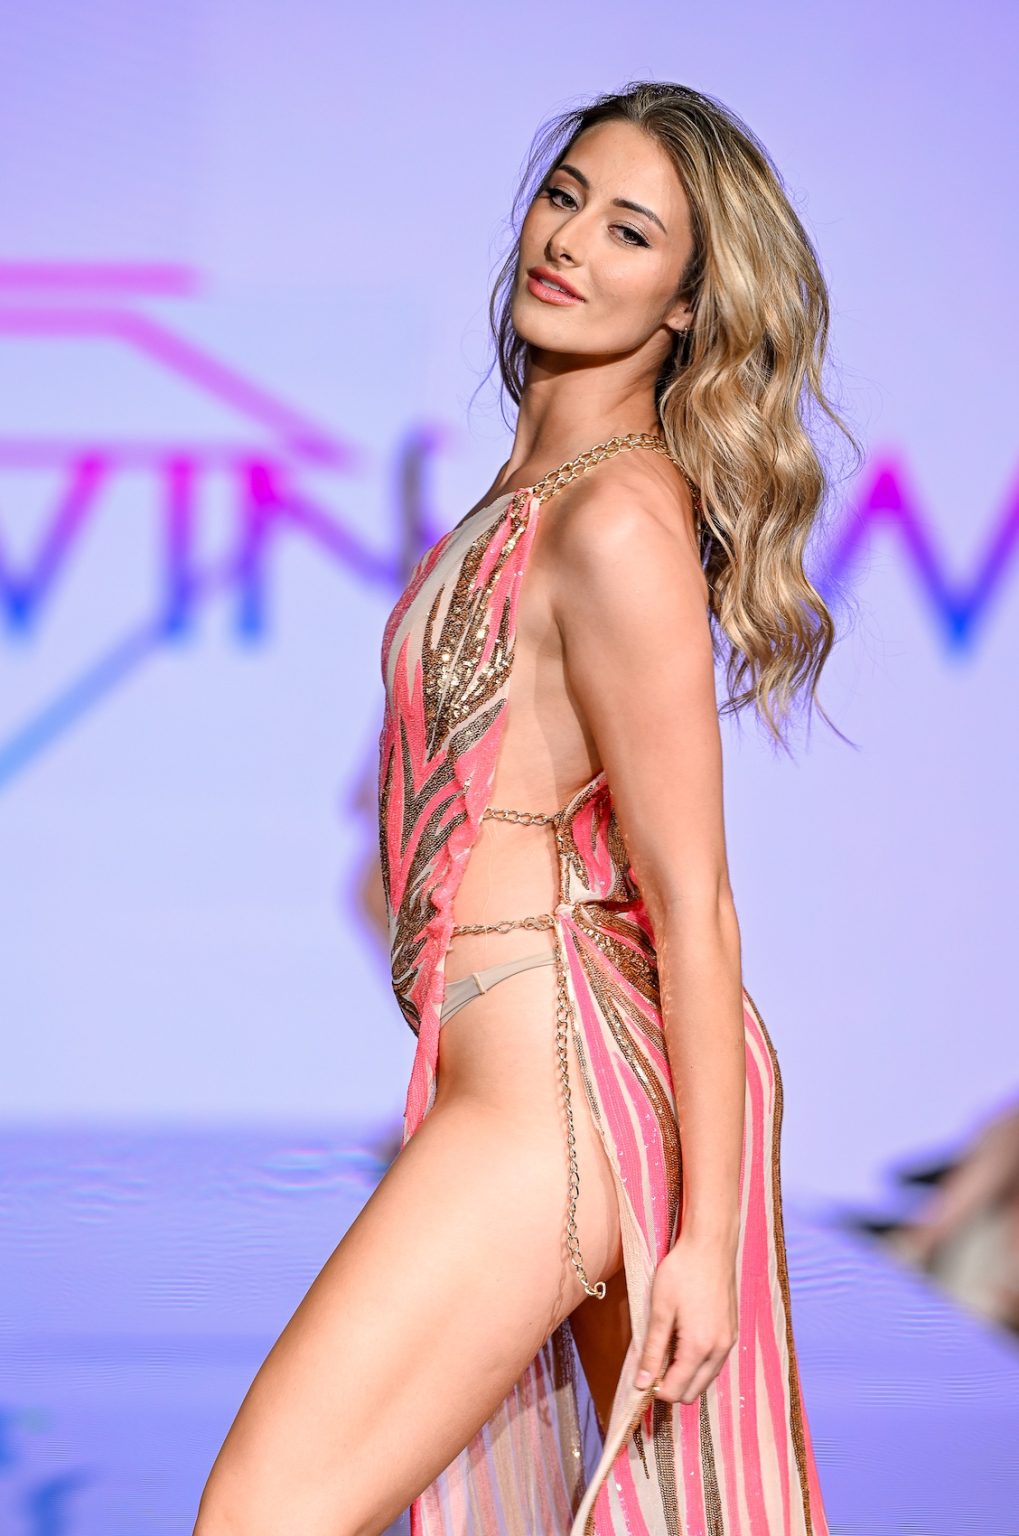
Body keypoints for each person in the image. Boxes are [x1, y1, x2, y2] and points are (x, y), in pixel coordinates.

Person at [194, 79, 860, 1536]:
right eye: (565, 196)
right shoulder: (533, 494)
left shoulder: (619, 519)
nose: (570, 241)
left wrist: (703, 1239)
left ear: (688, 306)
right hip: (514, 1077)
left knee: (260, 1515)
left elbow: (695, 899)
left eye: (632, 232)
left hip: (561, 1101)